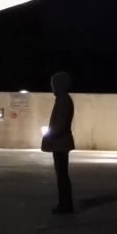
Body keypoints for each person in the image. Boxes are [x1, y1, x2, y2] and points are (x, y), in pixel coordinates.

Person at [42, 71, 75, 214]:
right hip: (60, 142)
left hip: (60, 143)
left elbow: (60, 125)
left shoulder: (63, 100)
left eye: (54, 84)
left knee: (62, 175)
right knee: (61, 174)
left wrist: (50, 136)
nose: (52, 86)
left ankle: (65, 205)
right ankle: (64, 203)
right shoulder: (63, 99)